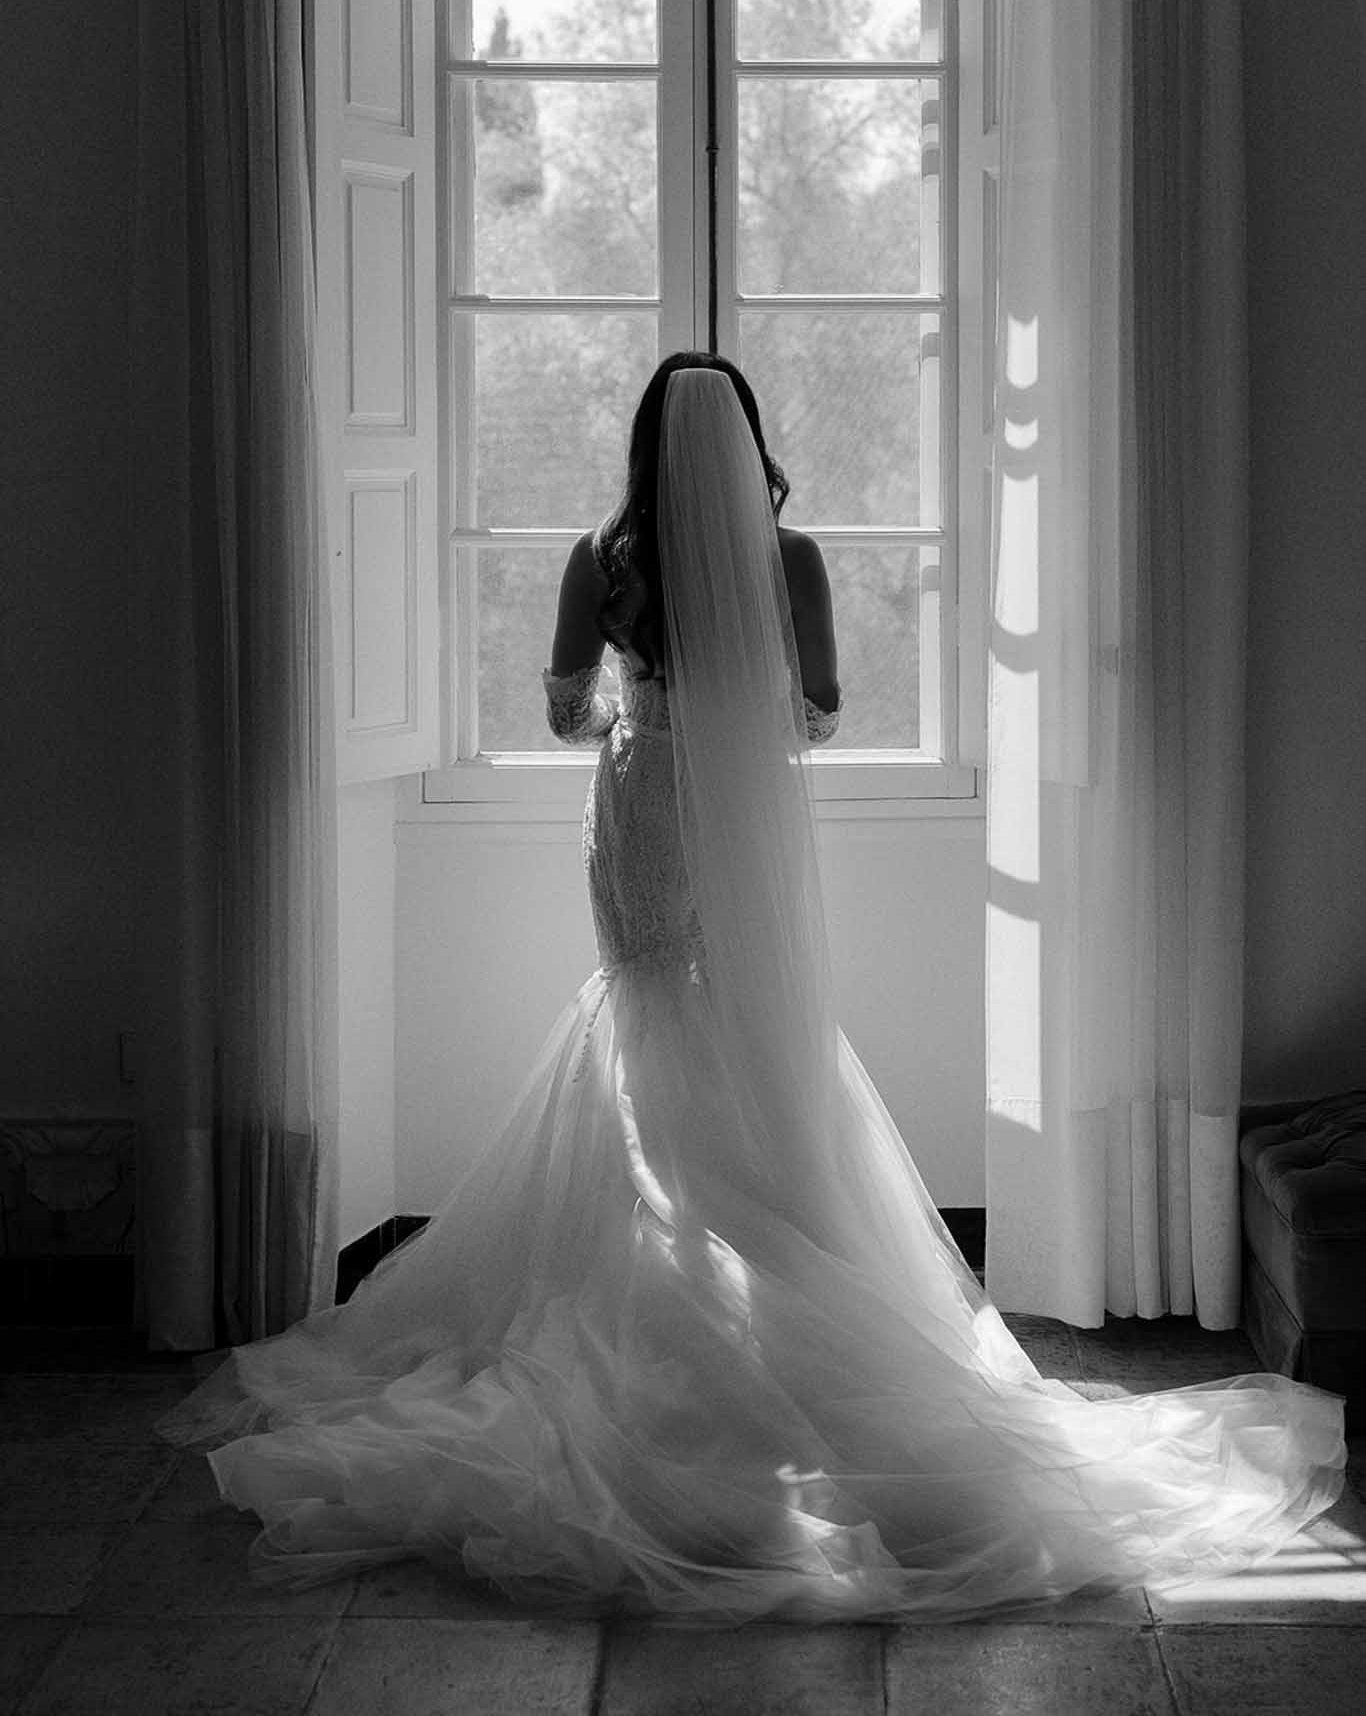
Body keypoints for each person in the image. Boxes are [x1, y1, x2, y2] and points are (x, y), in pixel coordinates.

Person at [156, 351, 1345, 1623]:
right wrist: (743, 702)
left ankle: (669, 1278)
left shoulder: (602, 560)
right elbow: (819, 714)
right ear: (747, 447)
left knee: (644, 1005)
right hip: (744, 814)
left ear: (647, 450)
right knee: (749, 1030)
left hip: (639, 804)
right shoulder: (798, 560)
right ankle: (765, 1270)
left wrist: (627, 691)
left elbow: (565, 718)